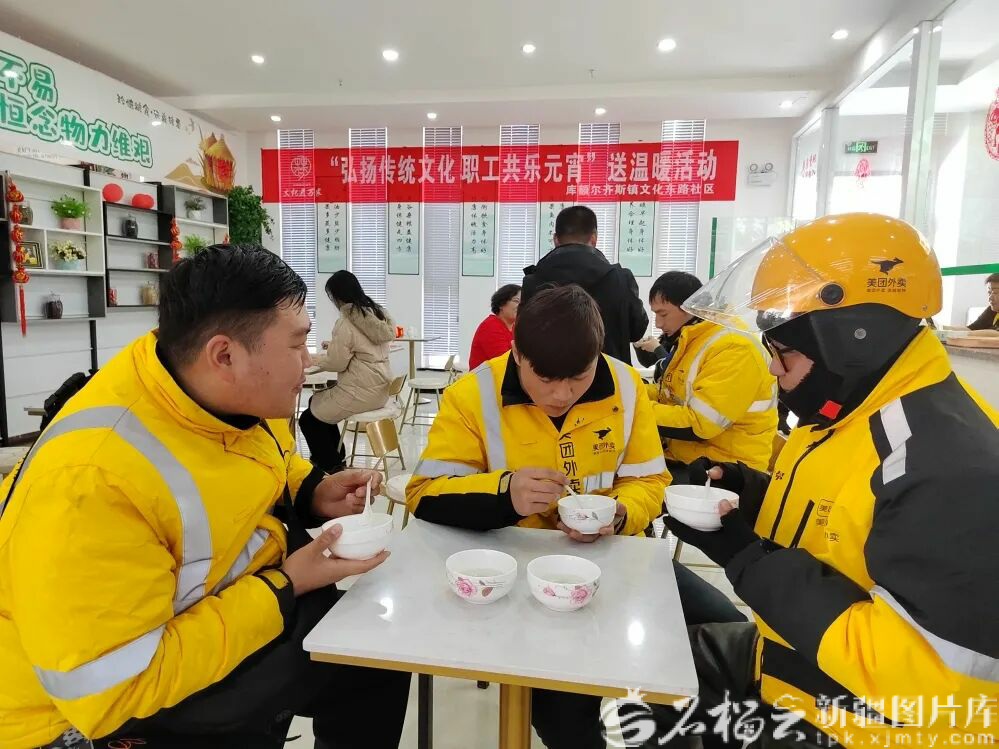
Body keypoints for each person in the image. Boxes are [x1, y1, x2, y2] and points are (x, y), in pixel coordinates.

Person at [0, 246, 410, 749]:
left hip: (209, 611)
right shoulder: (90, 482)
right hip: (88, 713)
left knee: (373, 657)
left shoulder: (215, 388)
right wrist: (284, 586)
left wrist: (312, 492)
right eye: (298, 344)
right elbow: (118, 689)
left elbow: (266, 458)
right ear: (225, 355)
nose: (309, 361)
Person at [645, 214, 998, 748]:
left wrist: (750, 561)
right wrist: (751, 496)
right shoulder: (856, 410)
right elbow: (844, 518)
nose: (772, 370)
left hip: (863, 725)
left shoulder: (947, 466)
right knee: (658, 667)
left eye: (783, 352)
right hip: (804, 667)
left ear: (853, 339)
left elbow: (930, 674)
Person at [406, 285, 742, 749]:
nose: (561, 394)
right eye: (545, 379)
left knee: (729, 638)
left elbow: (650, 480)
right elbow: (425, 495)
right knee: (563, 713)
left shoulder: (626, 386)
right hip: (524, 572)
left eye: (578, 378)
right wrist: (505, 494)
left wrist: (621, 514)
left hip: (620, 558)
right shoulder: (473, 395)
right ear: (517, 353)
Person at [645, 271, 778, 481]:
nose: (658, 324)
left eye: (663, 314)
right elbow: (670, 394)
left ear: (690, 308)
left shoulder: (734, 348)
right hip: (689, 459)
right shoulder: (694, 340)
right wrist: (631, 390)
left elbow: (700, 423)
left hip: (726, 473)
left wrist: (634, 409)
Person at [521, 205, 648, 363]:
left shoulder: (534, 280)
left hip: (547, 374)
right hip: (608, 373)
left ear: (555, 239)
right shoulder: (620, 279)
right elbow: (637, 330)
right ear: (593, 238)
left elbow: (523, 337)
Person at [298, 270, 396, 474]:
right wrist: (333, 346)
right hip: (379, 389)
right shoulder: (377, 313)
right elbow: (363, 347)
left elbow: (337, 363)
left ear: (337, 296)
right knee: (317, 403)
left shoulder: (346, 321)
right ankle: (337, 455)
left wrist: (316, 360)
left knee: (308, 419)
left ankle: (330, 464)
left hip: (360, 391)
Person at [468, 283, 520, 369]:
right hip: (487, 377)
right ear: (501, 304)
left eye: (523, 302)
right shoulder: (490, 326)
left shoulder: (515, 328)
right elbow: (506, 363)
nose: (521, 305)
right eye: (516, 301)